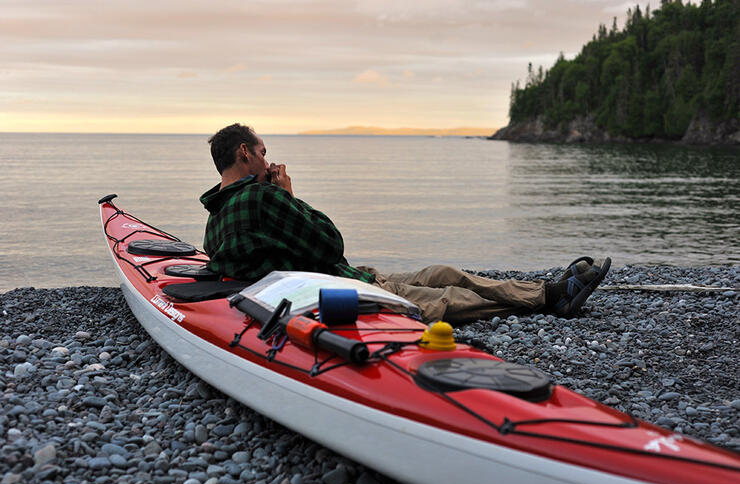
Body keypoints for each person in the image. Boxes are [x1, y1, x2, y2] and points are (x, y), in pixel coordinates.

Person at [200, 123, 611, 324]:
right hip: (343, 287)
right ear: (244, 153)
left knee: (441, 273)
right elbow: (329, 243)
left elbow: (255, 260)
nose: (270, 162)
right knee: (445, 296)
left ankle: (545, 291)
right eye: (263, 152)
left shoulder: (216, 217)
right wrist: (289, 194)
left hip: (335, 278)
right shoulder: (263, 196)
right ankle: (551, 297)